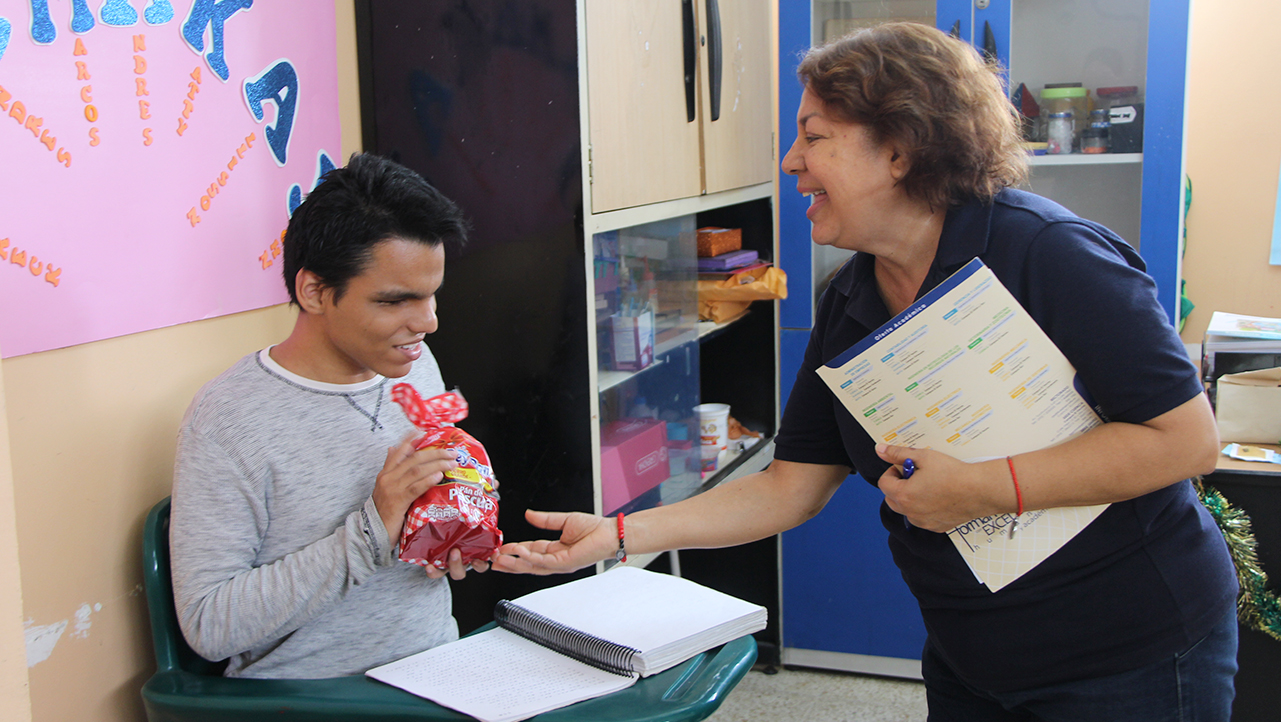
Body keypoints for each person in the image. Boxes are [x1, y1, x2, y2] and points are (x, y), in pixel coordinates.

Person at [495, 22, 1239, 721]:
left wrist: (983, 488)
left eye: (813, 137)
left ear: (900, 149)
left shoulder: (1048, 254)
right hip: (971, 653)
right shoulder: (849, 295)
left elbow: (1183, 441)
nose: (790, 162)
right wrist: (617, 535)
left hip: (1130, 652)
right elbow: (790, 488)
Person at [170, 153, 488, 679]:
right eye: (395, 301)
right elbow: (210, 625)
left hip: (439, 673)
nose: (428, 322)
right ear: (314, 291)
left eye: (432, 296)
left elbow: (422, 519)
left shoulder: (413, 364)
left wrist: (449, 532)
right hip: (315, 701)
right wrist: (374, 529)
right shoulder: (228, 422)